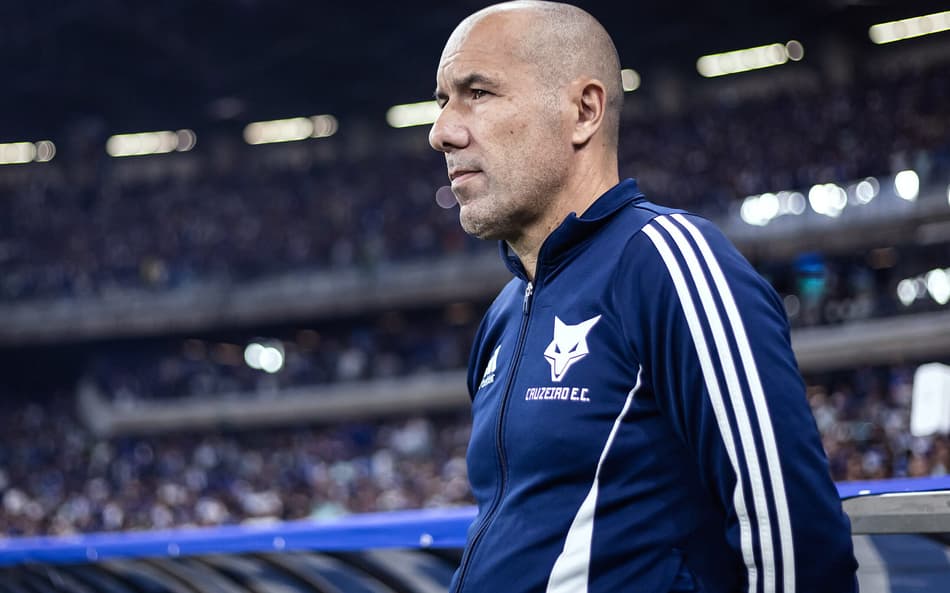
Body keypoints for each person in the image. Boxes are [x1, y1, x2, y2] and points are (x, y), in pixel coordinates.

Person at [428, 2, 858, 592]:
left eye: (476, 92)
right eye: (441, 101)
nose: (442, 132)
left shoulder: (670, 262)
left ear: (583, 111)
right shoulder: (506, 313)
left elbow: (790, 535)